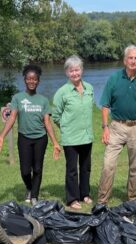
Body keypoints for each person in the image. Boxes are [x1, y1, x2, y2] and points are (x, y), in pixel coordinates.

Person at [0, 65, 61, 205]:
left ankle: (34, 195)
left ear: (38, 81)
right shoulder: (17, 98)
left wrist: (55, 142)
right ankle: (29, 188)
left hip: (40, 139)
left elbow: (47, 122)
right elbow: (12, 117)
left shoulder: (43, 100)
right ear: (24, 80)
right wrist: (1, 136)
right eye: (29, 79)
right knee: (25, 171)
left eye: (34, 79)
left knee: (37, 168)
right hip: (24, 138)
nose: (32, 81)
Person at [97, 45, 136, 204]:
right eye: (130, 58)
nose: (133, 61)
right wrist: (105, 128)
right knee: (108, 164)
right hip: (117, 127)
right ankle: (102, 201)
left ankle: (132, 199)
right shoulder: (114, 79)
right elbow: (105, 106)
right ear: (124, 60)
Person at [52, 55, 95, 210]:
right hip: (70, 138)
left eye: (77, 70)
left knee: (85, 167)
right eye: (72, 71)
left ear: (81, 70)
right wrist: (65, 127)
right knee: (72, 170)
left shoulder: (89, 88)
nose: (75, 73)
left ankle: (85, 194)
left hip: (87, 136)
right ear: (67, 73)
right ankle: (72, 199)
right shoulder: (62, 92)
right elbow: (55, 115)